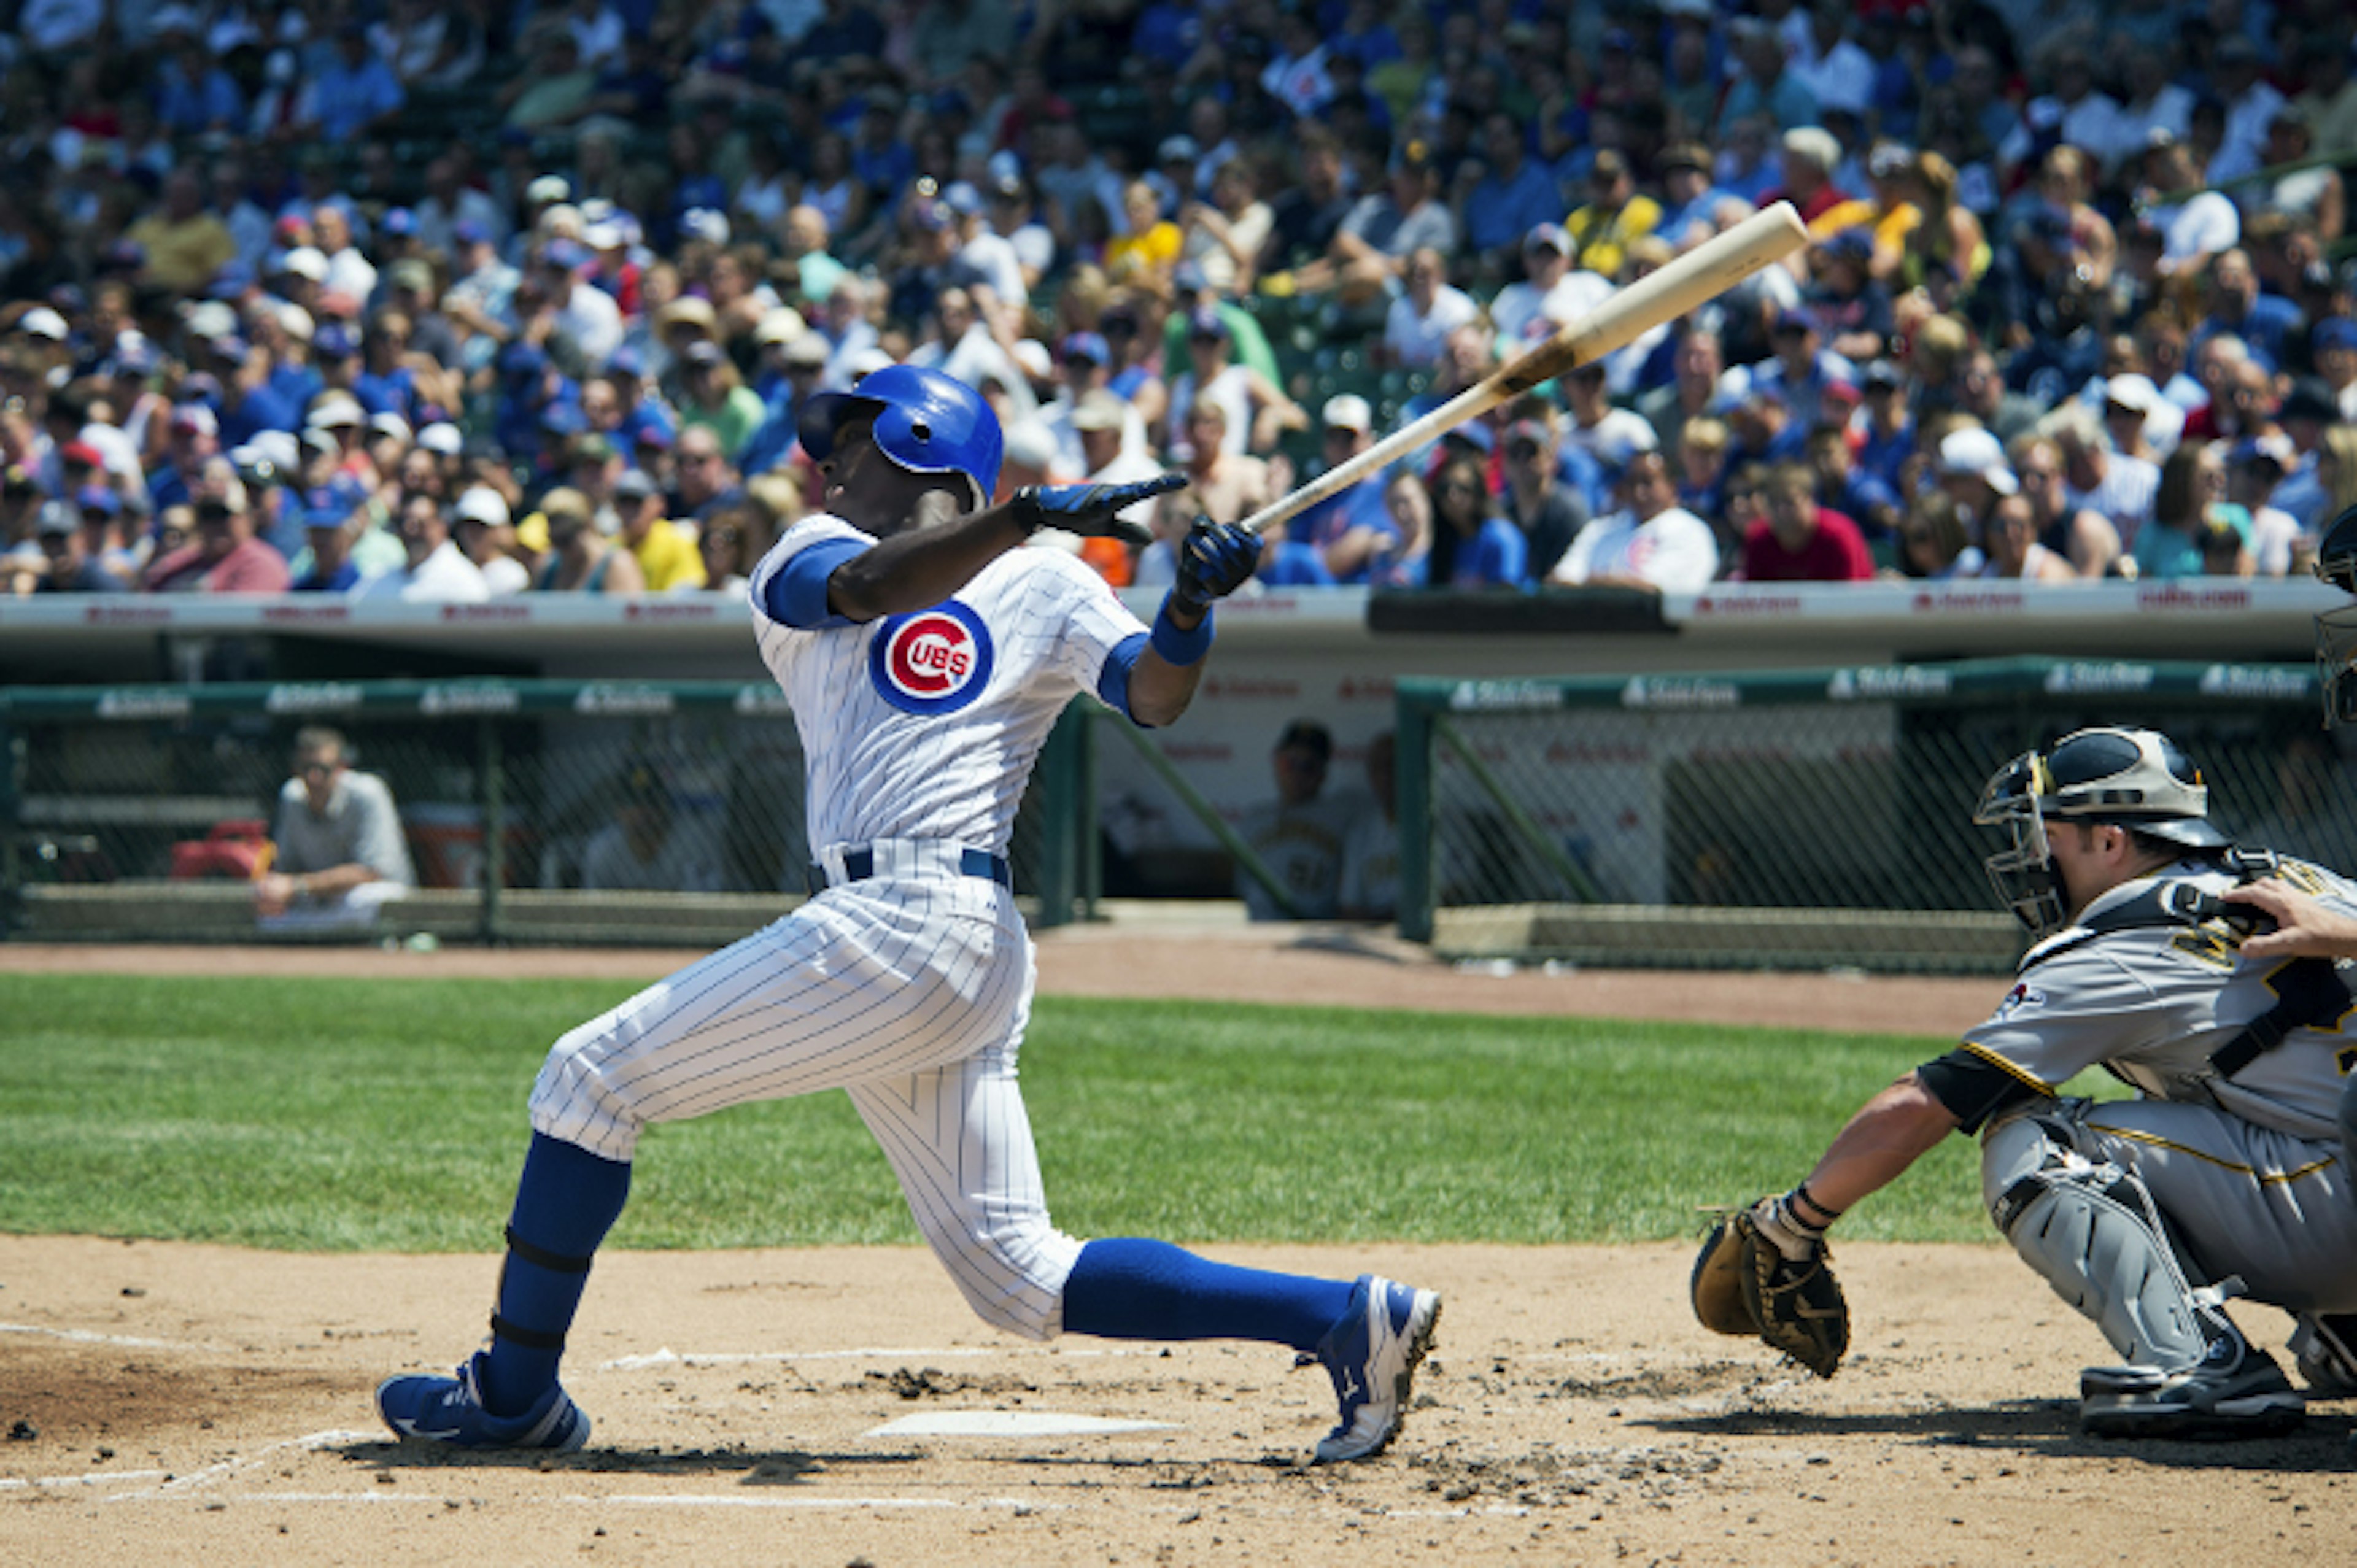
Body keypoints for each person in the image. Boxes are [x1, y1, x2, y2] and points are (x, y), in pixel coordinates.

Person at [374, 365, 1441, 1466]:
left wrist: (1189, 608)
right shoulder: (803, 555)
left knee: (586, 1083)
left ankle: (511, 1396)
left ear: (925, 440)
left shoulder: (1048, 582)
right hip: (905, 932)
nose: (824, 461)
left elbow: (1155, 695)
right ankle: (1341, 1317)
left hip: (929, 918)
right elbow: (878, 590)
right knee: (1017, 1276)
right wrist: (1025, 516)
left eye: (851, 438)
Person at [1732, 727, 2356, 1439]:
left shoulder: (2121, 940)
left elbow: (1925, 1104)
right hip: (2337, 1180)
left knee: (2038, 1139)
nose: (2032, 856)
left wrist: (1793, 1221)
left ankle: (2202, 1364)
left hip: (2336, 1212)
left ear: (2110, 840)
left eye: (2046, 833)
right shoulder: (2299, 878)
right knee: (2239, 1088)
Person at [254, 727, 417, 931]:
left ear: (342, 767)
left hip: (365, 896)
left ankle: (319, 937)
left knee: (367, 900)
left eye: (324, 768)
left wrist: (299, 886)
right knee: (267, 914)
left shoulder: (367, 793)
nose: (314, 777)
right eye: (306, 768)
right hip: (318, 899)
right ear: (295, 769)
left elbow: (371, 872)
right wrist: (275, 890)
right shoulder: (292, 796)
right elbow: (286, 868)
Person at [1237, 719, 1361, 922]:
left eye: (1308, 766)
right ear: (1277, 762)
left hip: (1316, 928)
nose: (1297, 773)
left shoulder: (1344, 814)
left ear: (1323, 774)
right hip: (1260, 927)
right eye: (1290, 763)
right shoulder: (1255, 818)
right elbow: (1241, 886)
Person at [1550, 450, 1719, 594]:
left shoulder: (1690, 531)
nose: (1638, 492)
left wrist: (1594, 584)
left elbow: (1654, 591)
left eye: (1647, 482)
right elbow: (1559, 582)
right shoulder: (1600, 529)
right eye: (1632, 482)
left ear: (1672, 487)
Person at [576, 763, 724, 892]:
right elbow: (593, 913)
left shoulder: (693, 842)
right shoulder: (603, 852)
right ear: (619, 812)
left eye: (651, 803)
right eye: (633, 805)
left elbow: (707, 907)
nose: (643, 813)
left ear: (664, 805)